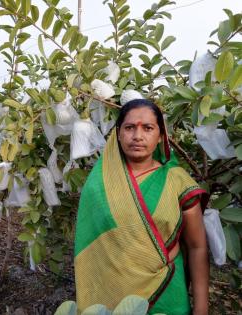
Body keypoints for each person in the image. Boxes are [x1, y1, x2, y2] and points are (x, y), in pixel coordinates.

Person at [74, 99, 209, 315]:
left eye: (148, 128)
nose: (137, 136)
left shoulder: (178, 182)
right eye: (129, 128)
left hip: (166, 294)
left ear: (160, 136)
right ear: (118, 134)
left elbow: (197, 246)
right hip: (112, 294)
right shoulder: (100, 183)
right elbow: (91, 245)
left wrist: (202, 307)